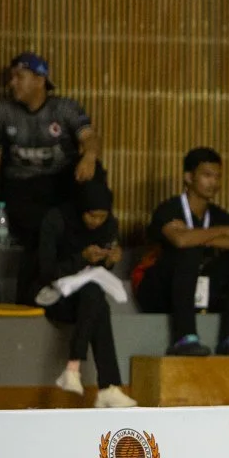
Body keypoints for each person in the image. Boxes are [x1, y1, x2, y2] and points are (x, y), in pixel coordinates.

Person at [0, 52, 101, 304]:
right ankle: (31, 295)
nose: (12, 83)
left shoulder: (64, 108)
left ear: (40, 80)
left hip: (59, 183)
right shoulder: (3, 112)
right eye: (11, 78)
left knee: (93, 177)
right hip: (20, 187)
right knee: (41, 229)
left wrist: (90, 155)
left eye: (19, 77)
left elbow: (89, 137)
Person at [136, 147, 229, 356]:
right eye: (207, 175)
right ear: (189, 177)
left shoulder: (218, 215)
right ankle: (185, 337)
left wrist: (199, 237)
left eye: (217, 177)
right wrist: (222, 233)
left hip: (201, 290)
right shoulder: (169, 209)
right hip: (160, 291)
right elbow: (181, 240)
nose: (214, 183)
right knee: (188, 252)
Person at [35, 175, 136, 408]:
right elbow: (46, 271)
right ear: (81, 210)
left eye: (102, 216)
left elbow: (99, 269)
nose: (97, 222)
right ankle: (107, 386)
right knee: (97, 301)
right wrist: (81, 258)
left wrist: (109, 260)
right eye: (92, 215)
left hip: (85, 297)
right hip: (54, 294)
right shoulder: (57, 220)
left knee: (94, 294)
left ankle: (75, 369)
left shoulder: (109, 225)